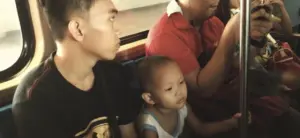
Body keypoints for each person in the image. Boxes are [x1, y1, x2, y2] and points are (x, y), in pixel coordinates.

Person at [145, 0, 300, 137]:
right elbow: (204, 91)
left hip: (238, 98)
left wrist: (255, 37)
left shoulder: (213, 23)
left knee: (290, 117)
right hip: (210, 117)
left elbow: (239, 62)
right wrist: (231, 33)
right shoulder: (164, 37)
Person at [12, 0, 140, 138]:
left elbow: (129, 134)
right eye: (110, 19)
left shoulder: (114, 73)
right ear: (77, 30)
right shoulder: (35, 99)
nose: (118, 29)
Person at [137, 56, 249, 138]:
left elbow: (201, 129)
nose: (179, 92)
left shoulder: (182, 106)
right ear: (149, 98)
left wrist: (232, 123)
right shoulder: (149, 126)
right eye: (169, 89)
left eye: (181, 82)